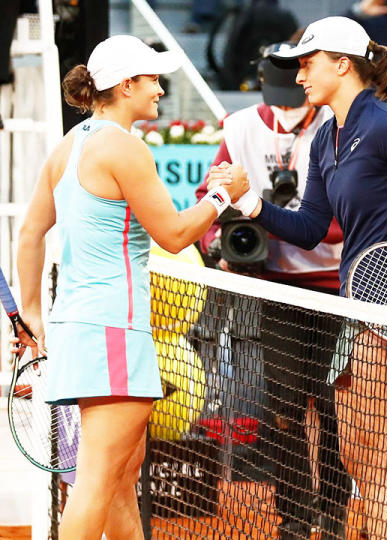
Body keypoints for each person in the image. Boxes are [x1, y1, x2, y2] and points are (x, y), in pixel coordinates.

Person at [209, 16, 387, 539]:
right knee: (353, 457)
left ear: (342, 65)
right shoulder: (326, 137)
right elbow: (307, 229)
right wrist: (247, 199)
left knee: (380, 468)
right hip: (352, 306)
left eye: (308, 63)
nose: (299, 75)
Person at [11, 35, 247, 539]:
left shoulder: (69, 146)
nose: (160, 90)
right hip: (115, 330)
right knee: (98, 479)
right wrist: (225, 194)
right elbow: (176, 234)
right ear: (125, 86)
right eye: (152, 79)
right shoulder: (124, 147)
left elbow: (30, 233)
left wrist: (32, 311)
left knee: (120, 476)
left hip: (78, 327)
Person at [195, 40, 351, 539]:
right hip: (276, 284)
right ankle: (294, 518)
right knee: (283, 405)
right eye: (278, 93)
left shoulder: (337, 124)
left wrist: (277, 218)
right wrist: (215, 238)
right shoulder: (239, 127)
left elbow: (349, 211)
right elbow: (208, 194)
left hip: (336, 283)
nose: (289, 103)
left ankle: (333, 516)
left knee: (330, 409)